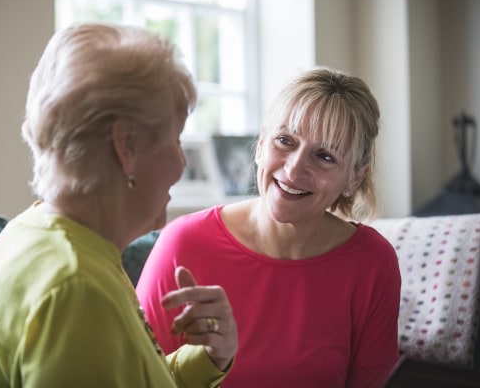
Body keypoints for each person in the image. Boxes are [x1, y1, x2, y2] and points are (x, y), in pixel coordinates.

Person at [0, 23, 238, 388]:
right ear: (126, 147)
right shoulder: (76, 290)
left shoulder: (38, 237)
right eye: (175, 140)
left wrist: (209, 357)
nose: (182, 163)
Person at [136, 67, 402, 388]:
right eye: (284, 141)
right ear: (261, 144)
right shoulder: (183, 243)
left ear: (355, 177)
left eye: (325, 156)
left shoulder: (373, 263)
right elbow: (135, 376)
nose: (294, 169)